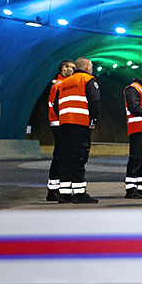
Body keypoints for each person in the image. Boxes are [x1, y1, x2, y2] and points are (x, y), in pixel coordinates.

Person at [49, 57, 100, 203]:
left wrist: (64, 117)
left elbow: (55, 105)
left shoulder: (64, 83)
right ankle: (79, 193)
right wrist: (92, 120)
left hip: (64, 125)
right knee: (79, 157)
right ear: (87, 68)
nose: (92, 70)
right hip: (81, 125)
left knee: (66, 158)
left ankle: (64, 194)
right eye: (91, 67)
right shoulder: (87, 80)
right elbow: (95, 101)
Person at [44, 60, 74, 201]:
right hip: (60, 124)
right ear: (64, 68)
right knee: (61, 156)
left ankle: (55, 188)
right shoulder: (60, 85)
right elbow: (58, 105)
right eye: (71, 68)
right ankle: (54, 189)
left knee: (61, 156)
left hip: (58, 123)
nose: (73, 71)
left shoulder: (60, 84)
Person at [123, 67, 142, 199]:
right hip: (138, 128)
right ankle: (130, 188)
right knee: (137, 158)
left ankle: (140, 187)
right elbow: (134, 107)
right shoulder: (133, 89)